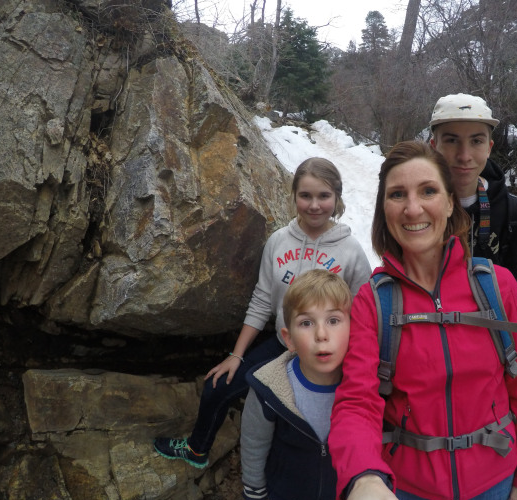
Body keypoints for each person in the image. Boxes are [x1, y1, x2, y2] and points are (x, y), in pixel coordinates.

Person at [329, 141, 517, 500]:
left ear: (449, 203)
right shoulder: (371, 302)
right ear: (385, 209)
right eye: (398, 195)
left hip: (489, 483)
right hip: (407, 491)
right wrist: (364, 478)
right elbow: (357, 403)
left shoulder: (498, 286)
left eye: (428, 191)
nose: (413, 208)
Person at [154, 157, 372, 468]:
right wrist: (237, 355)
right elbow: (262, 300)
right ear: (293, 195)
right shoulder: (279, 242)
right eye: (305, 195)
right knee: (217, 388)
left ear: (336, 198)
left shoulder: (351, 251)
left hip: (328, 355)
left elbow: (363, 313)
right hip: (285, 346)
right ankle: (197, 450)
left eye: (323, 196)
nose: (314, 205)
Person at [240, 269, 351, 500]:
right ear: (288, 339)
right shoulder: (268, 389)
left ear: (353, 329)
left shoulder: (362, 387)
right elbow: (254, 442)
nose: (321, 335)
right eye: (306, 323)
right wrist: (254, 491)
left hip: (343, 499)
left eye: (333, 321)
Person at [429, 93, 517, 281]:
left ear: (489, 148)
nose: (464, 156)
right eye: (452, 140)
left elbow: (511, 286)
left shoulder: (509, 209)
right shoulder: (416, 206)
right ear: (433, 147)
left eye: (476, 141)